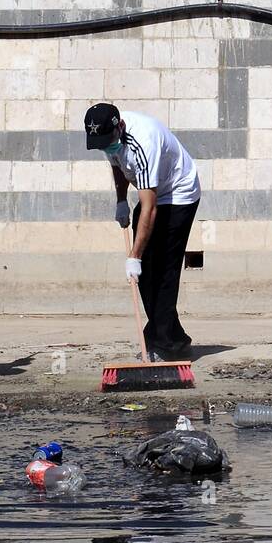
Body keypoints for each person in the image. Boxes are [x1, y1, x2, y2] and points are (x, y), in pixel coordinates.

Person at [84, 102, 201, 362]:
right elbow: (117, 163)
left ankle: (165, 344)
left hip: (179, 193)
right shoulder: (108, 136)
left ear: (120, 127)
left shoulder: (143, 142)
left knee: (163, 268)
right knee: (146, 275)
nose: (105, 147)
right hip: (154, 195)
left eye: (107, 141)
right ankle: (175, 338)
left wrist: (134, 256)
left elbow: (149, 207)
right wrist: (120, 200)